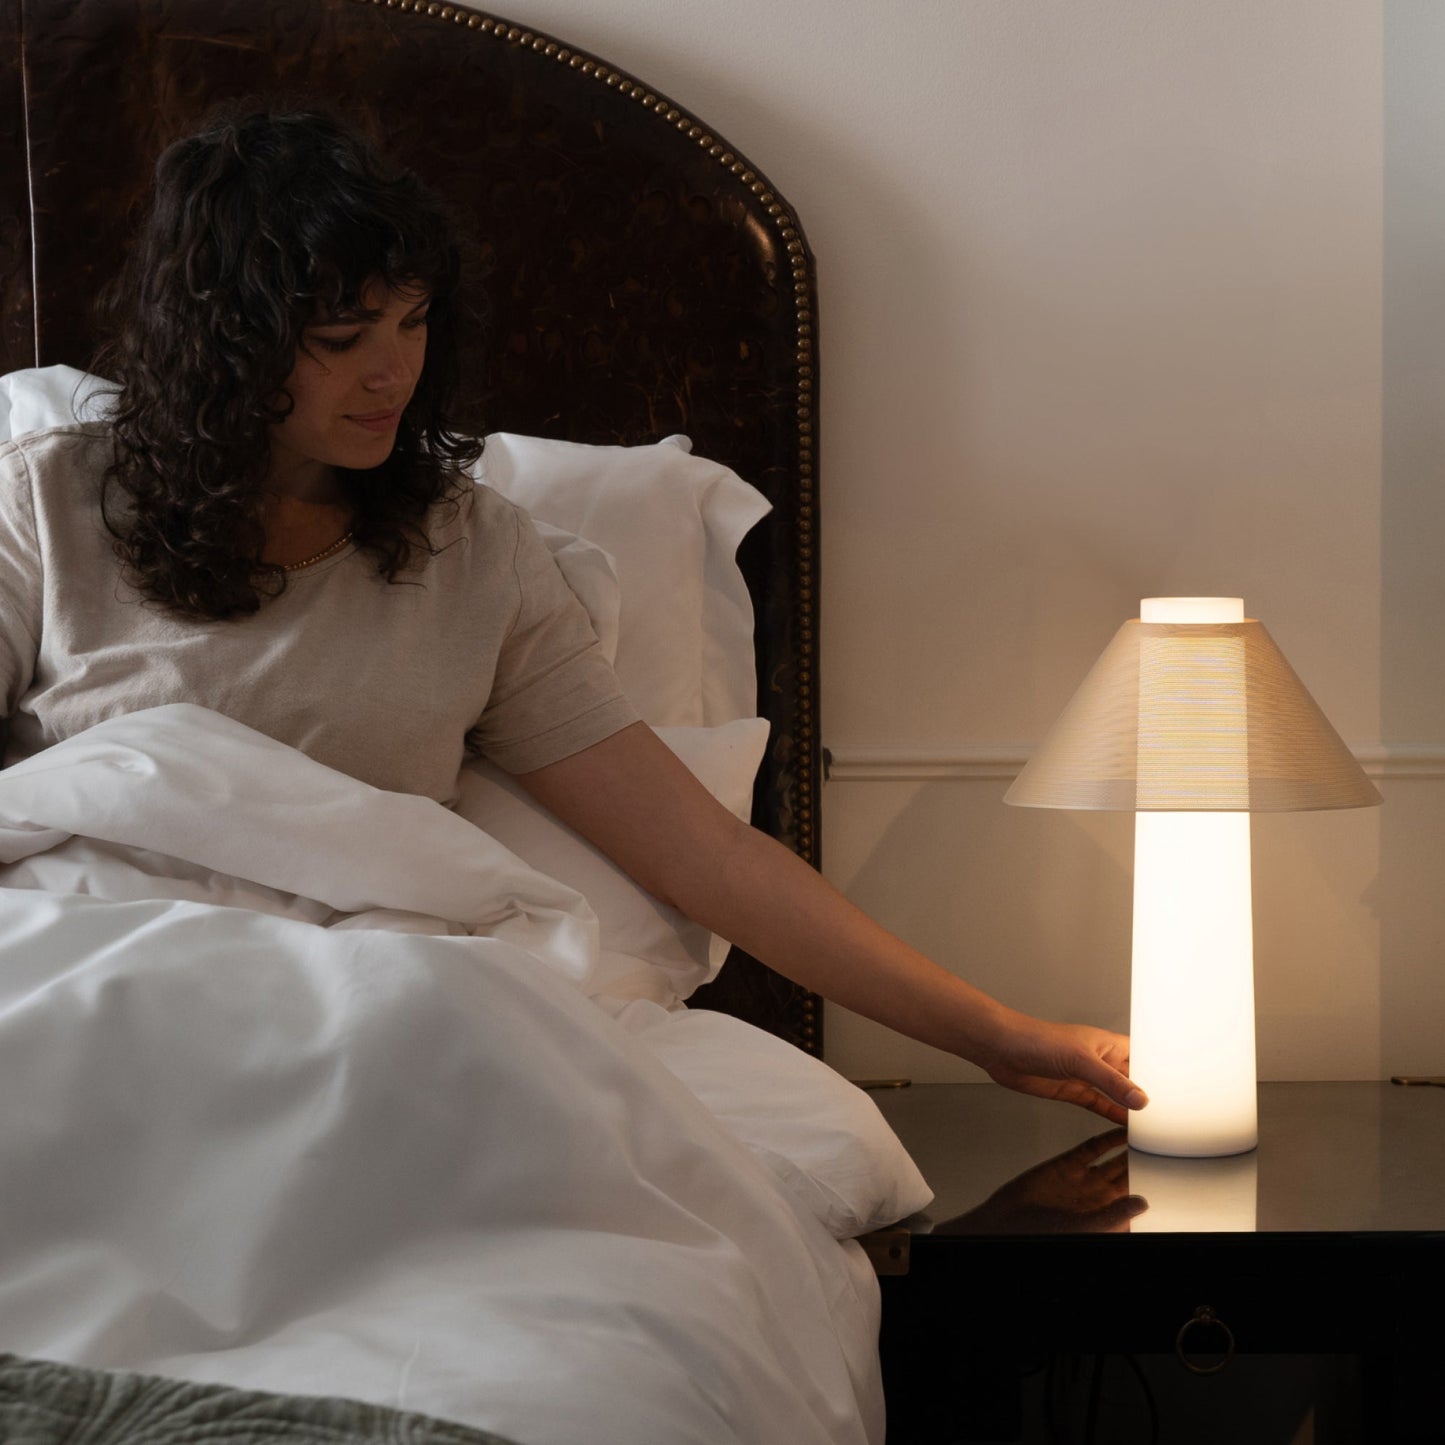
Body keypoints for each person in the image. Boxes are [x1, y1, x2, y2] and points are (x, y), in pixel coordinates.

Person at [0, 107, 1147, 1126]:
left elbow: (706, 856)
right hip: (92, 975)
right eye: (343, 340)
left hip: (344, 1014)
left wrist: (1000, 1033)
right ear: (224, 345)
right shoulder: (44, 495)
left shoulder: (473, 557)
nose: (391, 373)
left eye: (412, 322)